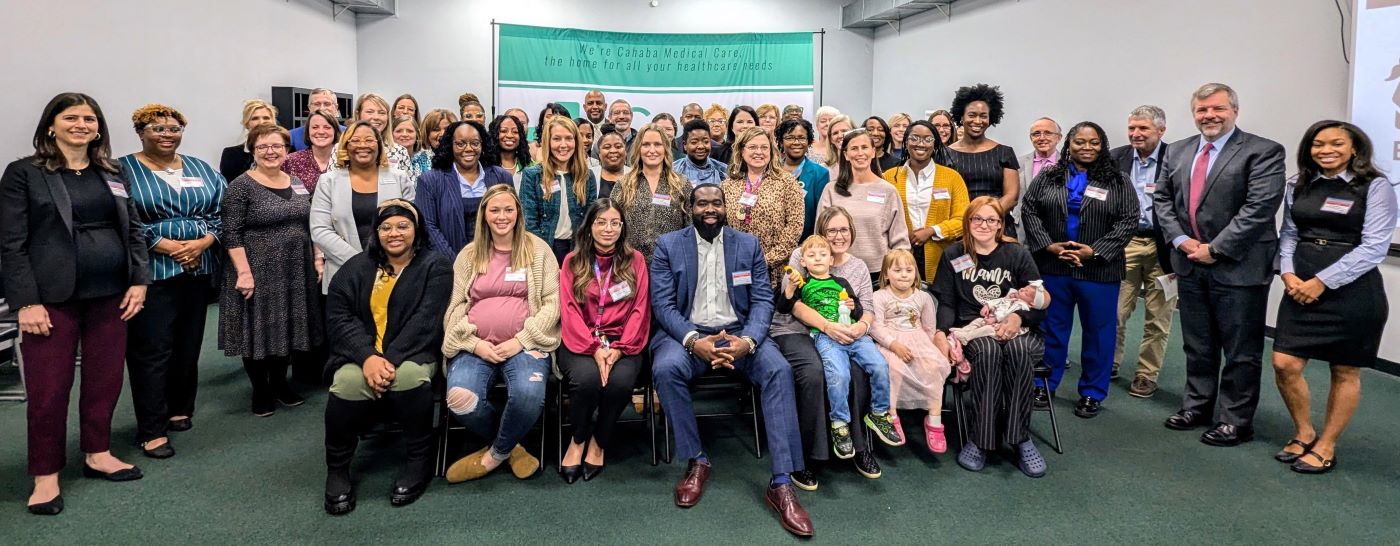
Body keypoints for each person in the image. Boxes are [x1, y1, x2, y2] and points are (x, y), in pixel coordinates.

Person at [2, 93, 151, 515]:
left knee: (104, 380)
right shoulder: (24, 174)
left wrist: (139, 281)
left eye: (89, 118)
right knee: (49, 390)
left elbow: (133, 229)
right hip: (51, 300)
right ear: (51, 125)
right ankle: (45, 474)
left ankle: (97, 452)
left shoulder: (111, 170)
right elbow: (11, 245)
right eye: (71, 117)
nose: (81, 124)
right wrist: (26, 301)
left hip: (112, 293)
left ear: (99, 127)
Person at [648, 183, 812, 537]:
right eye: (702, 203)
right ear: (690, 208)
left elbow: (763, 301)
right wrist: (694, 341)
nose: (710, 208)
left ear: (727, 207)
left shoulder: (748, 244)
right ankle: (697, 460)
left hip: (738, 332)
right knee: (666, 368)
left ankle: (782, 482)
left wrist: (749, 341)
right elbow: (662, 305)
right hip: (689, 333)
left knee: (778, 370)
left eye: (717, 203)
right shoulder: (668, 246)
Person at [1154, 83, 1285, 446]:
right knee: (1198, 344)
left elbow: (1260, 208)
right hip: (1190, 263)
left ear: (1234, 112)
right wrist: (1182, 241)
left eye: (1217, 109)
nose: (1209, 115)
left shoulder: (1263, 151)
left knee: (1241, 350)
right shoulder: (1178, 151)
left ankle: (1236, 420)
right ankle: (1196, 406)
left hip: (1238, 266)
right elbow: (1163, 200)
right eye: (1202, 110)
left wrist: (1216, 248)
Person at [1271, 121, 1396, 474]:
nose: (1326, 149)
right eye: (1318, 144)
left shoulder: (1375, 186)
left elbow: (1375, 248)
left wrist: (1323, 282)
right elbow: (1289, 233)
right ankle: (1304, 431)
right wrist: (1289, 272)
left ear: (1354, 148)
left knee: (1344, 369)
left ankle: (1326, 444)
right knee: (1284, 363)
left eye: (1336, 143)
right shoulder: (1298, 184)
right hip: (1300, 284)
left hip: (1353, 291)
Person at [322, 199, 452, 514]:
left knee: (409, 378)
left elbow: (426, 321)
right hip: (359, 356)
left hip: (413, 353)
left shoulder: (435, 266)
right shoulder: (356, 267)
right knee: (347, 384)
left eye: (403, 225)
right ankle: (338, 469)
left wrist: (387, 361)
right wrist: (368, 358)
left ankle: (417, 459)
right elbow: (339, 318)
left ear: (416, 229)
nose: (394, 233)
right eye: (386, 227)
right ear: (376, 232)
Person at [118, 103, 225, 459]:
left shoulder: (200, 168)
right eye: (158, 129)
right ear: (140, 132)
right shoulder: (121, 171)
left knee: (188, 343)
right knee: (152, 348)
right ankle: (151, 428)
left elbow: (224, 210)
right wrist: (160, 243)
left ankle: (180, 407)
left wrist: (205, 241)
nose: (167, 135)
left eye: (174, 129)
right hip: (150, 273)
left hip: (197, 267)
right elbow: (119, 217)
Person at [1019, 121, 1139, 418]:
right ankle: (1043, 383)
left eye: (1094, 142)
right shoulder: (1048, 176)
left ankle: (1092, 392)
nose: (1087, 148)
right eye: (1080, 142)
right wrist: (1049, 245)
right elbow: (1029, 209)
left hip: (1099, 270)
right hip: (1054, 266)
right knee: (1051, 329)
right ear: (1068, 145)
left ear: (1103, 145)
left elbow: (1128, 220)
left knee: (1099, 333)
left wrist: (1094, 251)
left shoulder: (1118, 180)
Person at [441, 184, 558, 483]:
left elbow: (553, 303)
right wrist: (474, 343)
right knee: (459, 398)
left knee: (529, 396)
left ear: (518, 213)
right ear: (484, 215)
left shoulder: (538, 250)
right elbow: (455, 307)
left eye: (508, 209)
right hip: (475, 346)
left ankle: (493, 456)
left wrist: (520, 340)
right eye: (495, 210)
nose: (502, 216)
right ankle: (511, 448)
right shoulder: (469, 255)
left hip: (524, 344)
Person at [932, 196, 1047, 478]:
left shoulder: (1017, 254)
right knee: (989, 352)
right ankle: (980, 439)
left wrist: (1018, 318)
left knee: (1018, 351)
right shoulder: (954, 254)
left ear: (1000, 224)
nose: (984, 225)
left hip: (1020, 327)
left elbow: (1041, 302)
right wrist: (942, 333)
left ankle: (1020, 438)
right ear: (968, 222)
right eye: (977, 219)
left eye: (991, 220)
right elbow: (946, 302)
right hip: (974, 329)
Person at [218, 123, 324, 417]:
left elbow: (309, 223)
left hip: (295, 267)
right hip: (257, 268)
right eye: (262, 146)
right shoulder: (241, 186)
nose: (270, 152)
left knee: (288, 325)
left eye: (277, 145)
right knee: (259, 330)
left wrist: (316, 257)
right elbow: (231, 233)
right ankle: (260, 390)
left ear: (287, 149)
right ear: (252, 150)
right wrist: (244, 272)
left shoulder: (296, 181)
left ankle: (280, 384)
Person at [771, 206, 881, 486]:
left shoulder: (857, 267)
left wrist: (860, 327)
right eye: (831, 230)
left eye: (843, 229)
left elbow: (867, 309)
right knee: (814, 372)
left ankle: (857, 446)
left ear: (852, 232)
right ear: (821, 233)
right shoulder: (803, 254)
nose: (838, 235)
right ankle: (806, 456)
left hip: (846, 332)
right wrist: (827, 326)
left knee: (858, 371)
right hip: (796, 329)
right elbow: (792, 304)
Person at [777, 235, 903, 458]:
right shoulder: (803, 283)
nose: (818, 259)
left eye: (823, 254)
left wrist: (853, 307)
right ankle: (840, 424)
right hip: (825, 337)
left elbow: (858, 310)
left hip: (854, 334)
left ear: (831, 260)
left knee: (880, 365)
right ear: (802, 261)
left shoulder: (841, 283)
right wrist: (789, 290)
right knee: (839, 375)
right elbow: (785, 307)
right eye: (811, 255)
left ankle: (879, 413)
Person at [557, 199, 651, 483]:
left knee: (619, 383)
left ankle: (599, 440)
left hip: (624, 341)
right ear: (589, 227)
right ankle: (578, 438)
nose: (608, 229)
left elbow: (640, 308)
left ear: (622, 228)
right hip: (582, 340)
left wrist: (620, 349)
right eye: (601, 222)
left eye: (614, 223)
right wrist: (595, 349)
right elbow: (569, 309)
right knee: (585, 381)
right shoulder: (572, 261)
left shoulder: (636, 260)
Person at [1110, 105, 1176, 397]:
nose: (1136, 134)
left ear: (1161, 130)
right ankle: (1109, 362)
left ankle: (1146, 374)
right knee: (1116, 310)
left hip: (1164, 245)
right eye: (1132, 128)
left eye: (1143, 129)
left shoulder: (1177, 158)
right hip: (1127, 242)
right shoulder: (1116, 157)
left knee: (1159, 314)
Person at [311, 120, 416, 294]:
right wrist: (361, 262)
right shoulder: (328, 181)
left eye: (369, 140)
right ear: (346, 145)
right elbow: (320, 230)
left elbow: (411, 224)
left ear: (379, 145)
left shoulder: (399, 178)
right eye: (355, 140)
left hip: (392, 271)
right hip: (343, 271)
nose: (362, 146)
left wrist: (384, 260)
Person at [870, 249, 953, 454]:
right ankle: (891, 415)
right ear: (886, 274)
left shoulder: (924, 298)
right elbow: (875, 327)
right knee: (894, 368)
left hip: (919, 340)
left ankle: (934, 419)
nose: (904, 274)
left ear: (916, 273)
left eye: (909, 269)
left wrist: (927, 350)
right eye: (897, 270)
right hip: (890, 341)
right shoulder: (879, 296)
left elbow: (929, 329)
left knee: (933, 367)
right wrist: (894, 345)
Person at [817, 129, 911, 283]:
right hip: (836, 271)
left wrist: (898, 272)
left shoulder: (888, 191)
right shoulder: (831, 190)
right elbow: (820, 234)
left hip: (878, 272)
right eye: (854, 148)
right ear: (846, 155)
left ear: (873, 152)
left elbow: (900, 241)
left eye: (864, 147)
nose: (860, 153)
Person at [414, 120, 513, 257]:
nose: (468, 149)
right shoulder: (430, 180)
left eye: (475, 143)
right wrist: (456, 265)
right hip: (448, 264)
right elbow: (428, 226)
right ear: (450, 146)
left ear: (482, 145)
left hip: (494, 262)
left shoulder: (501, 176)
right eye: (460, 144)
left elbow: (512, 217)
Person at [884, 120, 969, 281]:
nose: (920, 144)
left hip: (941, 254)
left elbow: (963, 219)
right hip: (900, 255)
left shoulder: (952, 177)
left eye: (928, 139)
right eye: (914, 138)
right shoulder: (889, 177)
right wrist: (901, 232)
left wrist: (932, 231)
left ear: (935, 144)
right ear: (906, 141)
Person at [720, 127, 804, 283]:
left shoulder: (786, 182)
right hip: (738, 267)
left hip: (775, 270)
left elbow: (795, 226)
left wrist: (766, 260)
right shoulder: (728, 185)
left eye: (764, 147)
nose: (759, 152)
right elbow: (722, 227)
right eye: (752, 147)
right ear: (742, 151)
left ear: (771, 151)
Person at [944, 84, 1021, 236]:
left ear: (990, 118)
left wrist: (986, 218)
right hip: (960, 229)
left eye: (983, 116)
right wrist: (969, 220)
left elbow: (1012, 196)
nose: (978, 121)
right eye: (972, 115)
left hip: (998, 228)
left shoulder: (1005, 152)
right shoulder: (944, 154)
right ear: (961, 117)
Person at [520, 116, 598, 263]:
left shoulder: (586, 176)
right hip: (542, 249)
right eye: (557, 139)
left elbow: (590, 218)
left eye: (569, 138)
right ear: (548, 142)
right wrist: (543, 254)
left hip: (578, 249)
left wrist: (583, 251)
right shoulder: (533, 175)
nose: (563, 145)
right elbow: (529, 221)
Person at [610, 123, 689, 260]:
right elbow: (611, 223)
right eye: (646, 144)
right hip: (630, 264)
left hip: (671, 264)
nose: (652, 150)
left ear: (665, 148)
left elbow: (690, 226)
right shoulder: (623, 184)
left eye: (657, 144)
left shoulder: (681, 183)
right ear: (638, 149)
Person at [775, 118, 830, 239]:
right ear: (781, 142)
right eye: (789, 138)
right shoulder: (771, 171)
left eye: (801, 138)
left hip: (805, 244)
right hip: (772, 242)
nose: (796, 142)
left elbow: (821, 215)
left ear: (809, 142)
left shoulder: (820, 174)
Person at [1015, 117, 1062, 239]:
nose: (1042, 138)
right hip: (1023, 231)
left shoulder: (1069, 165)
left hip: (1056, 231)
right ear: (1031, 138)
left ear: (1059, 138)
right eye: (1036, 134)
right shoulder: (1017, 164)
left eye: (1048, 133)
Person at [283, 110, 342, 195]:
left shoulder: (346, 161)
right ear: (308, 131)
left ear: (335, 131)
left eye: (327, 127)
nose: (321, 132)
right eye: (315, 127)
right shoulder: (290, 161)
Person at [219, 99, 278, 181]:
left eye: (266, 118)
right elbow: (229, 188)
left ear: (273, 122)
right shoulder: (231, 154)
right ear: (246, 124)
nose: (261, 122)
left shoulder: (288, 151)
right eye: (255, 118)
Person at [353, 93, 409, 176]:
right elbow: (332, 185)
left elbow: (409, 186)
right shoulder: (341, 149)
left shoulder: (400, 151)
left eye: (381, 113)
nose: (376, 117)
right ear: (358, 115)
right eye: (370, 112)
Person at [673, 119, 727, 186]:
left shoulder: (723, 170)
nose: (701, 146)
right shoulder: (673, 170)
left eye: (706, 141)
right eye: (694, 142)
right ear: (685, 145)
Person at [291, 88, 344, 153]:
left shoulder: (348, 133)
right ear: (309, 108)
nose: (322, 108)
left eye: (327, 104)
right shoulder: (292, 136)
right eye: (317, 104)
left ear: (336, 108)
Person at [488, 114, 531, 191]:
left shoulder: (529, 165)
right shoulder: (486, 167)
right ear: (495, 135)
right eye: (504, 131)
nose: (510, 135)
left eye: (515, 132)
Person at [409, 109, 458, 177]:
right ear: (427, 133)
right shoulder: (418, 159)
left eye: (447, 129)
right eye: (436, 129)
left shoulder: (461, 157)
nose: (442, 134)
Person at [592, 123, 629, 197]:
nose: (613, 150)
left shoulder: (635, 175)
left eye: (618, 146)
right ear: (599, 153)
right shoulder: (589, 175)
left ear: (625, 151)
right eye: (607, 147)